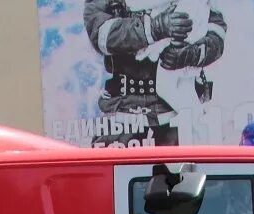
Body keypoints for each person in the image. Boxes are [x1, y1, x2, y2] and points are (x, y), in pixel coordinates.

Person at [84, 1, 226, 147]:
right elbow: (101, 35)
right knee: (112, 166)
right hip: (124, 112)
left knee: (191, 164)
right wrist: (153, 28)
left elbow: (216, 29)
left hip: (179, 112)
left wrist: (193, 54)